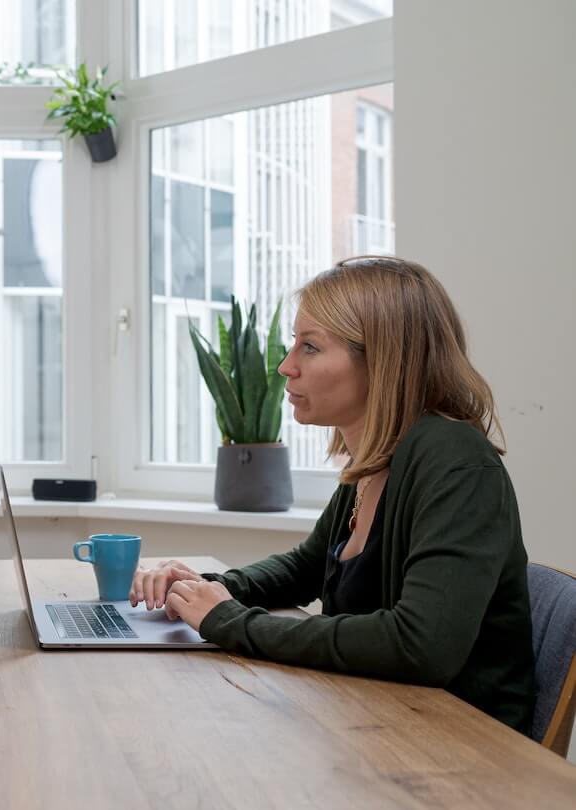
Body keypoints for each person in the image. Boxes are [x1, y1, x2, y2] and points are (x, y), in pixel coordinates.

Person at [130, 256, 535, 732]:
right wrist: (208, 587)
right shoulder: (378, 457)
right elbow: (306, 567)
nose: (286, 367)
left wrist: (231, 622)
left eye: (310, 348)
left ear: (382, 360)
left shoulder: (457, 465)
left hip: (463, 753)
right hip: (378, 722)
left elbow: (422, 644)